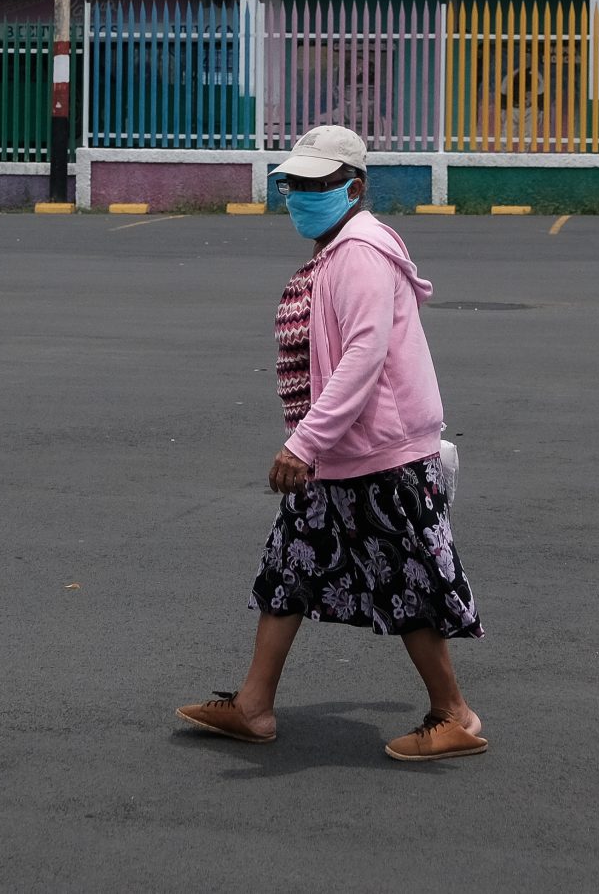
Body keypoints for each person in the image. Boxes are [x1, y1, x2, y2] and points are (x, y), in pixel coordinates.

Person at [175, 123, 487, 763]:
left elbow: (364, 354)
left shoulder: (359, 253)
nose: (301, 195)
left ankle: (455, 714)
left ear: (355, 186)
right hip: (338, 451)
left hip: (379, 452)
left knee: (411, 582)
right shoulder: (340, 247)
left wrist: (304, 442)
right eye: (294, 184)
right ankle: (254, 707)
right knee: (288, 568)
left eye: (318, 184)